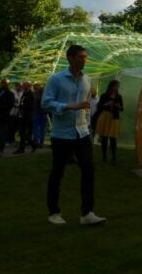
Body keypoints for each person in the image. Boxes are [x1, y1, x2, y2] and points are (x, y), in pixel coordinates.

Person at [42, 44, 106, 226]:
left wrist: (87, 123)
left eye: (85, 57)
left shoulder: (87, 80)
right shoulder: (56, 79)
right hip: (62, 134)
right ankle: (53, 212)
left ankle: (87, 213)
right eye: (80, 57)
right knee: (58, 172)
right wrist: (67, 106)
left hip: (82, 132)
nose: (84, 60)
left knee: (88, 170)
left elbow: (85, 105)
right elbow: (45, 103)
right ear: (70, 58)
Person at [95, 80, 123, 163]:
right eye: (116, 86)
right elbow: (99, 106)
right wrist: (106, 104)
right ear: (111, 86)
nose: (117, 88)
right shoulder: (104, 95)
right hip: (105, 117)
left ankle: (113, 157)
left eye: (118, 86)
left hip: (114, 118)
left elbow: (122, 109)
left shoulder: (119, 97)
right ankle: (104, 157)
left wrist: (118, 106)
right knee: (104, 137)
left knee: (113, 138)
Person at [14, 81, 36, 153]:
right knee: (21, 132)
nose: (22, 86)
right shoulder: (25, 93)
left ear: (28, 86)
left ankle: (32, 143)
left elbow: (30, 106)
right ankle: (22, 148)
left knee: (22, 132)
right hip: (22, 115)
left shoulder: (31, 94)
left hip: (27, 116)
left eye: (24, 85)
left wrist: (20, 106)